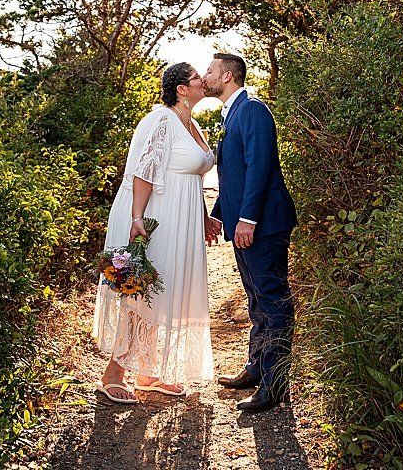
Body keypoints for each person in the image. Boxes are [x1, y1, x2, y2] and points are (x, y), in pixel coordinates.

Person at [93, 63, 216, 404]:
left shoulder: (192, 124)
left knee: (163, 291)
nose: (202, 80)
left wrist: (204, 216)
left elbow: (193, 178)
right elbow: (144, 171)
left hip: (181, 220)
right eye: (196, 77)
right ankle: (113, 374)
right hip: (153, 217)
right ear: (181, 89)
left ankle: (147, 372)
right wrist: (137, 218)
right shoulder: (162, 119)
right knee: (141, 292)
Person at [203, 53, 297, 413]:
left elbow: (260, 167)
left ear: (227, 76)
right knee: (256, 300)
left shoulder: (253, 109)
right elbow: (235, 176)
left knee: (273, 302)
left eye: (210, 71)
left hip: (265, 225)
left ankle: (275, 385)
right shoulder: (232, 113)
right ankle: (256, 368)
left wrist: (248, 219)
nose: (206, 76)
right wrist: (218, 215)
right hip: (249, 223)